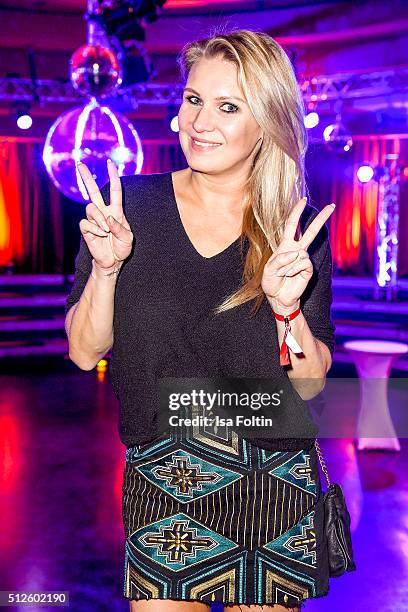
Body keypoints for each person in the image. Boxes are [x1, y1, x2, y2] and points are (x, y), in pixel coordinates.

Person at [65, 28, 337, 612]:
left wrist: (287, 309)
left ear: (266, 123)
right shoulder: (126, 209)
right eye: (193, 100)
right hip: (164, 478)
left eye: (228, 106)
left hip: (273, 478)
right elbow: (85, 353)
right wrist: (107, 270)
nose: (199, 122)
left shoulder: (295, 230)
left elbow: (311, 384)